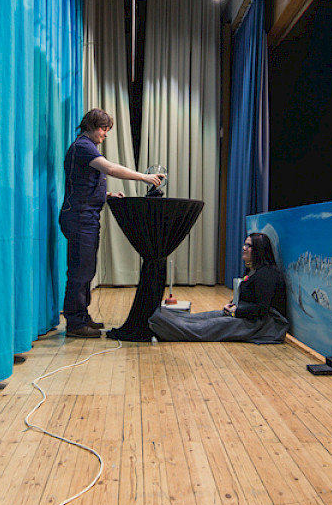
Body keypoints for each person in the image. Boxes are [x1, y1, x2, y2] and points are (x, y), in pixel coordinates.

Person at [60, 109, 164, 338]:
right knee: (80, 271)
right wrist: (144, 177)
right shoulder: (83, 146)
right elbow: (111, 169)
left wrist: (106, 195)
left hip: (85, 216)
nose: (105, 134)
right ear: (91, 126)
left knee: (86, 270)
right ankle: (75, 324)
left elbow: (82, 183)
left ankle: (82, 316)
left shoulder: (86, 147)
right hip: (80, 218)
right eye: (103, 129)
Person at [148, 232, 289, 343]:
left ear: (259, 250)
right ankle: (158, 318)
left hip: (261, 324)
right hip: (246, 315)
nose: (244, 248)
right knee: (200, 317)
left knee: (203, 328)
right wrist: (233, 306)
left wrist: (236, 311)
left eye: (248, 245)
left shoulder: (267, 274)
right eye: (245, 244)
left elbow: (261, 309)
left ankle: (159, 327)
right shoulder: (254, 271)